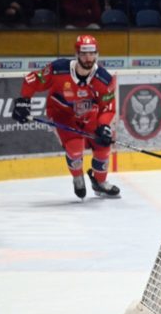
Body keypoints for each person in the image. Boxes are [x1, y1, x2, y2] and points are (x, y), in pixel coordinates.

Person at [12, 35, 119, 199]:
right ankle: (77, 177)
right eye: (84, 53)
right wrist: (23, 101)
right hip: (61, 114)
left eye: (92, 53)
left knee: (103, 146)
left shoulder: (104, 79)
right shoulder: (58, 69)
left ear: (97, 54)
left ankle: (100, 183)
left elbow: (108, 107)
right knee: (75, 148)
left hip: (89, 115)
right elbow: (32, 80)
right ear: (76, 53)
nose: (88, 58)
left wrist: (104, 125)